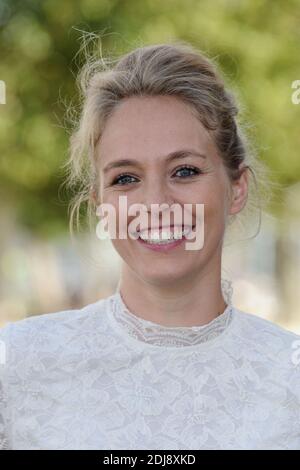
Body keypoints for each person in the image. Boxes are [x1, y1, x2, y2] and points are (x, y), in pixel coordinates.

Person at [0, 41, 299, 450]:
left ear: (237, 189)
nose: (156, 204)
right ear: (101, 204)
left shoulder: (291, 378)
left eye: (185, 170)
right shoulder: (17, 364)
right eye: (125, 178)